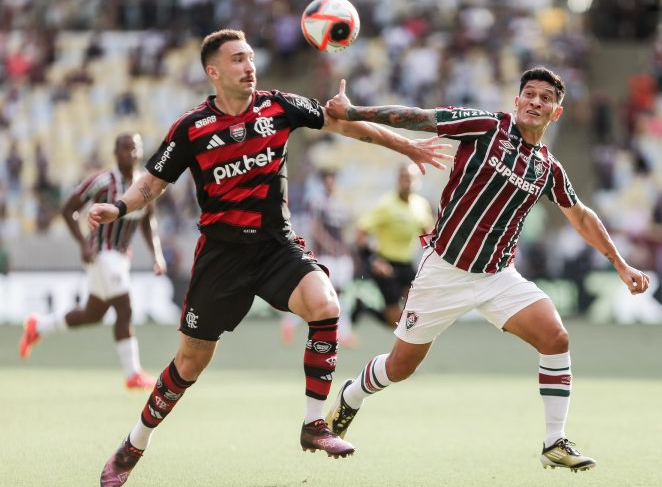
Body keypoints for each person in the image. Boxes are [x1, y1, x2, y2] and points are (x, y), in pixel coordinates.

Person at [87, 29, 450, 487]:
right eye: (237, 59)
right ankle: (134, 443)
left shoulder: (279, 106)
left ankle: (313, 424)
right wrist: (119, 207)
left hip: (276, 245)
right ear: (213, 71)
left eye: (251, 57)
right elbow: (153, 183)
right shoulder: (192, 128)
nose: (248, 66)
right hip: (221, 255)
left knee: (327, 306)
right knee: (189, 364)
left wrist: (406, 145)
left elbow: (345, 125)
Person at [324, 67, 651, 472]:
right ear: (516, 102)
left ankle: (554, 441)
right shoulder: (485, 126)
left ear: (556, 112)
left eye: (545, 98)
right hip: (444, 270)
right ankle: (352, 394)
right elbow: (419, 117)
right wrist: (355, 111)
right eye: (528, 94)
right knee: (399, 367)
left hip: (497, 277)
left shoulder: (548, 168)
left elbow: (581, 215)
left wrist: (619, 263)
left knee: (555, 337)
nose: (535, 101)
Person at [18, 133, 166, 390]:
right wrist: (83, 242)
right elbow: (68, 209)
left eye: (135, 149)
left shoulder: (145, 183)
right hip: (101, 253)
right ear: (115, 152)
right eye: (124, 149)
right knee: (124, 307)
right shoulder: (102, 181)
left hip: (120, 257)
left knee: (92, 314)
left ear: (141, 153)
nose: (130, 154)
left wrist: (157, 254)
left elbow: (147, 221)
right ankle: (133, 374)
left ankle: (37, 325)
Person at [280, 168, 358, 347]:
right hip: (324, 255)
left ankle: (344, 334)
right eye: (328, 178)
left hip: (339, 256)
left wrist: (346, 249)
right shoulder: (316, 201)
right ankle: (290, 322)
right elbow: (315, 227)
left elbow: (344, 230)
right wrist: (329, 244)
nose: (331, 181)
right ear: (323, 181)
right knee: (321, 295)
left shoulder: (340, 202)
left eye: (333, 178)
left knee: (340, 294)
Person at [352, 163, 433, 327]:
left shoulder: (421, 204)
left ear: (417, 181)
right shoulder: (386, 204)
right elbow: (360, 233)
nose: (407, 182)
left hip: (406, 264)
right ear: (397, 180)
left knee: (420, 307)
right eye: (403, 178)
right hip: (385, 265)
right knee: (395, 322)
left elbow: (429, 234)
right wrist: (373, 260)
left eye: (410, 178)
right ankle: (365, 307)